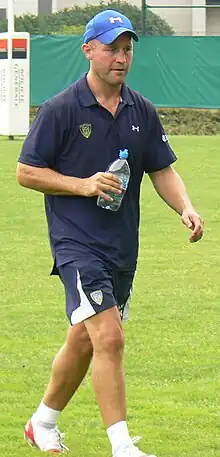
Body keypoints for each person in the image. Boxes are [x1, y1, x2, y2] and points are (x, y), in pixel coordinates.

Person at [17, 9, 204, 457]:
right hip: (76, 243)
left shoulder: (141, 109)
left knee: (85, 338)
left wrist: (186, 207)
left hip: (121, 245)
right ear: (88, 50)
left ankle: (42, 422)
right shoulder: (61, 108)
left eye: (126, 49)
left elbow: (161, 169)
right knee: (110, 336)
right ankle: (122, 446)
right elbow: (26, 171)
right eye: (110, 48)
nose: (120, 58)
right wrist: (81, 185)